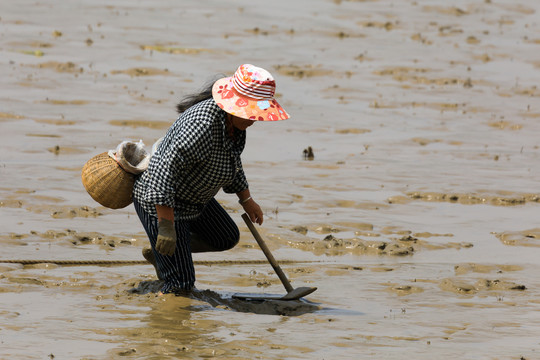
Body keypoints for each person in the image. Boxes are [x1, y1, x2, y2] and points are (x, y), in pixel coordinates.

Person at [132, 64, 290, 294]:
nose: (254, 120)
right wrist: (166, 227)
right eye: (251, 113)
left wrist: (247, 199)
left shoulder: (235, 126)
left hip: (196, 199)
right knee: (181, 286)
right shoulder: (202, 126)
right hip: (164, 202)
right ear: (234, 105)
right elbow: (161, 170)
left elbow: (231, 162)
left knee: (225, 236)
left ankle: (166, 254)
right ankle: (168, 258)